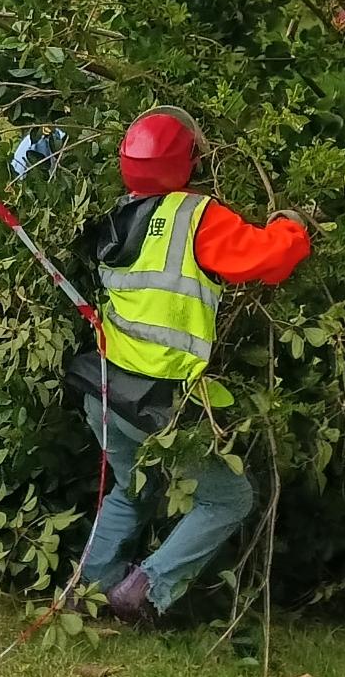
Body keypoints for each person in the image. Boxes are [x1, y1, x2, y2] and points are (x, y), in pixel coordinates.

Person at [70, 108, 312, 624]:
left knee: (132, 489)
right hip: (159, 406)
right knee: (229, 498)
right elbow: (269, 261)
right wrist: (291, 227)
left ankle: (90, 588)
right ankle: (146, 588)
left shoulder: (115, 218)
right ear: (191, 161)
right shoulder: (196, 217)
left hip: (107, 393)